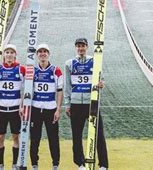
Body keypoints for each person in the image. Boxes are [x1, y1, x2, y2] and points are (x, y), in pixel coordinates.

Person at [64, 38, 108, 170]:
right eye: (78, 46)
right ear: (75, 48)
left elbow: (102, 79)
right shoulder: (69, 63)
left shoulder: (94, 61)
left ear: (87, 47)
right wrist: (67, 104)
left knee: (99, 133)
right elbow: (67, 86)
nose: (80, 48)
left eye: (83, 46)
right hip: (76, 104)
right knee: (76, 135)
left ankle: (103, 164)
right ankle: (80, 163)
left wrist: (101, 84)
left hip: (91, 102)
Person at [0, 44, 25, 170]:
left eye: (11, 52)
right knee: (0, 137)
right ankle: (1, 165)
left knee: (15, 136)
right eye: (7, 52)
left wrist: (22, 104)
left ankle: (14, 165)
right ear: (4, 55)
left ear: (15, 55)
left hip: (15, 110)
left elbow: (28, 88)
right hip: (1, 109)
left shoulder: (21, 69)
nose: (9, 54)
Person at [30, 44, 63, 170]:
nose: (42, 54)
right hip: (36, 109)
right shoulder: (32, 70)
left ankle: (55, 164)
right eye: (40, 52)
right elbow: (26, 90)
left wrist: (58, 109)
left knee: (53, 138)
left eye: (45, 51)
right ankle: (34, 164)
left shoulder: (56, 70)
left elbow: (59, 91)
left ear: (48, 54)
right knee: (34, 138)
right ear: (37, 55)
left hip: (51, 109)